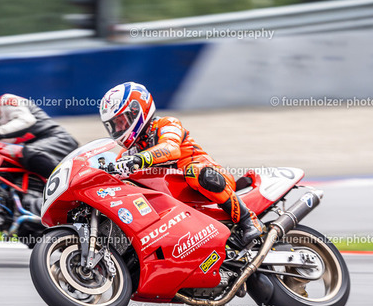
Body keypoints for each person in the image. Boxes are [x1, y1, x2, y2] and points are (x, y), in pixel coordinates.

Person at [99, 81, 265, 246]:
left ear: (137, 111)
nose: (119, 128)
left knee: (194, 171)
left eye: (122, 121)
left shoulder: (166, 124)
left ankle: (248, 220)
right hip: (181, 197)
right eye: (114, 125)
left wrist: (139, 159)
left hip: (211, 179)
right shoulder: (127, 153)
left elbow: (170, 149)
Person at [0, 76, 78, 178]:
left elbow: (26, 120)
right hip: (30, 153)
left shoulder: (7, 101)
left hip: (58, 139)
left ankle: (66, 184)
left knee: (27, 152)